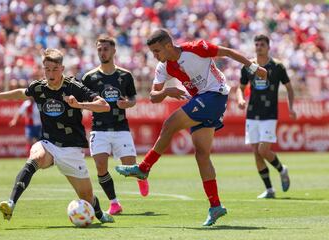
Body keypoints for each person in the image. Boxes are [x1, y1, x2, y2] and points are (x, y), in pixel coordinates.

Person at [115, 29, 267, 226]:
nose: (155, 56)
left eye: (157, 51)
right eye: (152, 52)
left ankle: (144, 168)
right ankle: (215, 206)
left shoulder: (196, 48)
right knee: (202, 154)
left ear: (168, 45)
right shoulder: (164, 67)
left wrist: (254, 68)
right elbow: (153, 96)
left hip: (215, 95)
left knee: (170, 124)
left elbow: (228, 52)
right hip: (202, 99)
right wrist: (167, 91)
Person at [0, 48, 114, 223]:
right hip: (49, 144)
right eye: (47, 69)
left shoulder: (73, 87)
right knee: (35, 157)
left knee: (87, 198)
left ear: (62, 68)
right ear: (43, 69)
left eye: (54, 69)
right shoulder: (38, 87)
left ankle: (99, 214)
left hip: (72, 149)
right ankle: (11, 203)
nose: (50, 73)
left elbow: (104, 106)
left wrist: (78, 105)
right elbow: (22, 92)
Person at [82, 36, 149, 215]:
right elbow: (83, 100)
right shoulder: (89, 77)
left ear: (113, 51)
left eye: (105, 49)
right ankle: (114, 203)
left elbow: (133, 98)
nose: (102, 52)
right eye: (99, 49)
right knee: (101, 167)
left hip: (120, 128)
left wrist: (128, 103)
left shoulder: (125, 75)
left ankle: (141, 177)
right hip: (99, 128)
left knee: (130, 166)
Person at [236, 34, 296, 199]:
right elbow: (240, 87)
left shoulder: (277, 66)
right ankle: (269, 189)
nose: (259, 47)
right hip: (252, 113)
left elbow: (289, 88)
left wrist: (291, 108)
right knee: (256, 153)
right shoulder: (248, 66)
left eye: (262, 44)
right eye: (256, 44)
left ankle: (282, 169)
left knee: (263, 149)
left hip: (269, 113)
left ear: (268, 47)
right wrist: (240, 99)